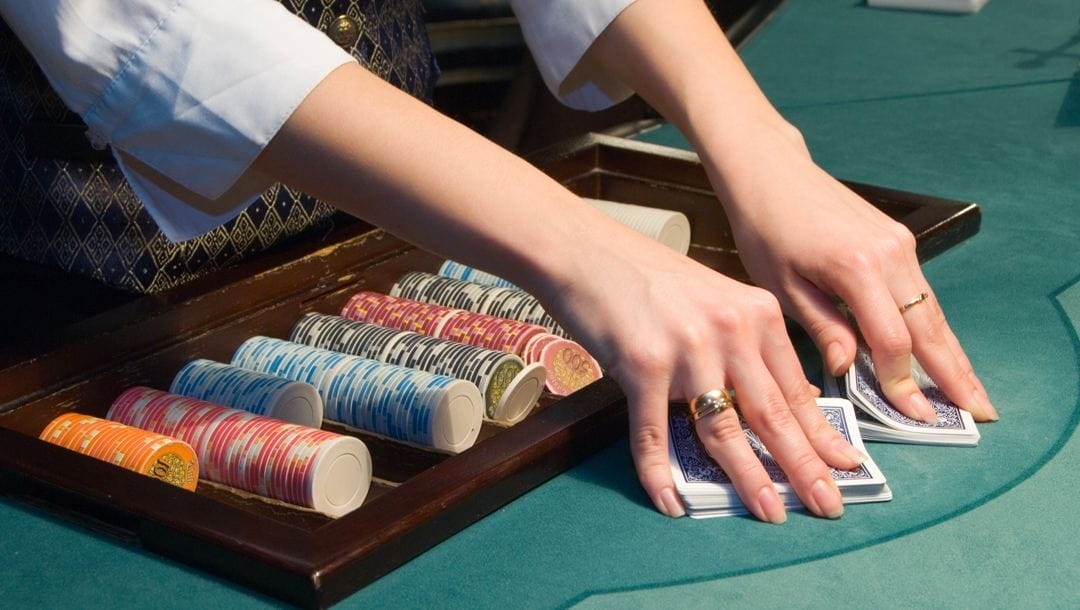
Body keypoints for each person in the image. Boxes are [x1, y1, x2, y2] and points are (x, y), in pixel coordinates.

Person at [0, 0, 997, 524]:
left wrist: (758, 144)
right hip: (81, 317)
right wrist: (580, 247)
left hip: (407, 223)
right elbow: (165, 26)